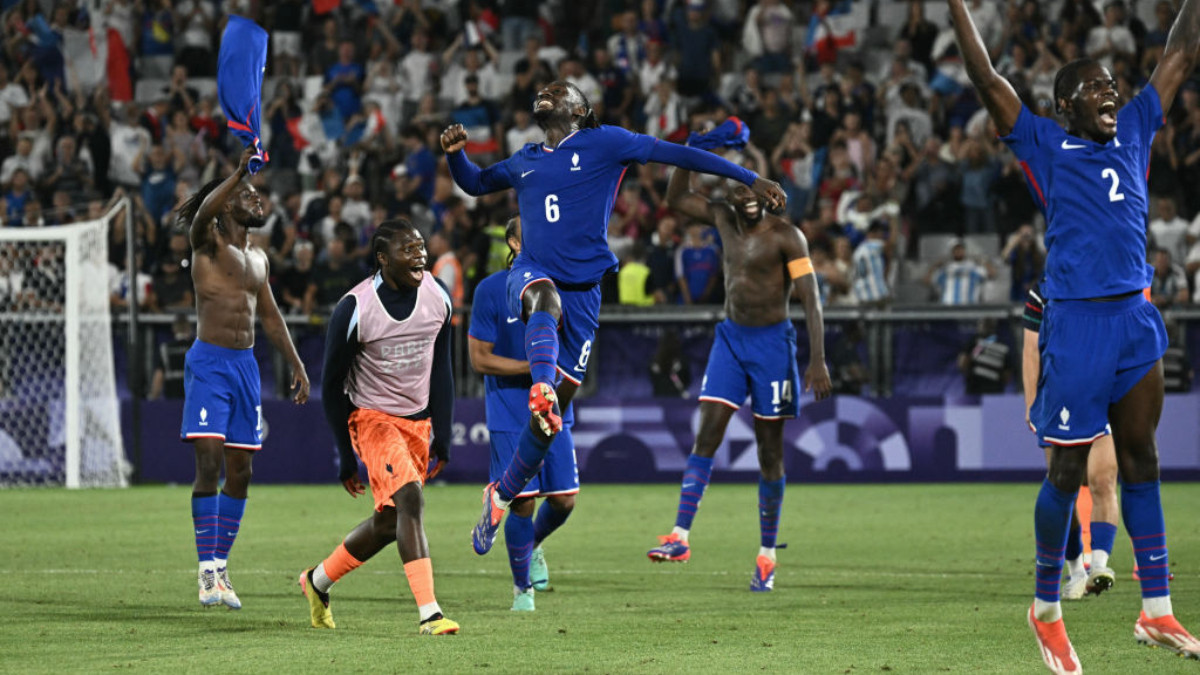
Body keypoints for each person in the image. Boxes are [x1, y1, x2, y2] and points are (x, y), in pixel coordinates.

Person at [949, 0, 1200, 670]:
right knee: (1067, 470)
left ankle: (1156, 610)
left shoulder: (1138, 124)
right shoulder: (1043, 144)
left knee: (1142, 459)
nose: (1110, 91)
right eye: (1093, 87)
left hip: (1136, 319)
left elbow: (1179, 54)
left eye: (1112, 83)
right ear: (1065, 105)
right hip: (1077, 325)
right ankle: (1046, 608)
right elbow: (985, 78)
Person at [441, 80, 786, 556]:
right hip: (535, 273)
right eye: (543, 88)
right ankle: (540, 386)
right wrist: (456, 155)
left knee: (547, 425)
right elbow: (476, 183)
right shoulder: (525, 159)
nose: (547, 91)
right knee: (542, 299)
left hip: (586, 295)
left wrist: (749, 177)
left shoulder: (607, 142)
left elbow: (679, 156)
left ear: (581, 109)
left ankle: (500, 494)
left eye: (559, 90)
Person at [645, 126, 832, 592]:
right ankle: (680, 536)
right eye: (735, 188)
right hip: (730, 339)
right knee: (707, 431)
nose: (744, 197)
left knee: (770, 451)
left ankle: (767, 555)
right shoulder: (722, 217)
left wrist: (818, 359)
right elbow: (674, 198)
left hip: (773, 345)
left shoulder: (788, 236)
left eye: (751, 188)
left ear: (766, 192)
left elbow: (811, 300)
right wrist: (696, 149)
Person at [298, 219, 458, 635]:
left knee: (391, 522)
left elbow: (442, 368)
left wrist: (444, 430)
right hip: (371, 419)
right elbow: (332, 385)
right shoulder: (356, 308)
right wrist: (344, 454)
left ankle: (316, 582)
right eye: (408, 250)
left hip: (417, 422)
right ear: (383, 259)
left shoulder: (438, 296)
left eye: (421, 246)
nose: (420, 255)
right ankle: (430, 614)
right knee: (410, 500)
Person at [177, 147, 311, 609]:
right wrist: (236, 171)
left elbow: (271, 317)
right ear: (227, 203)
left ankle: (220, 566)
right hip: (210, 362)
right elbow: (201, 218)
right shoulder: (207, 243)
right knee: (209, 463)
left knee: (242, 470)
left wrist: (296, 363)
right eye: (248, 196)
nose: (258, 201)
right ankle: (206, 571)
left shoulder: (259, 259)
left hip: (246, 366)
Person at [467, 215, 578, 612]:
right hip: (510, 407)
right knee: (523, 501)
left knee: (565, 498)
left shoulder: (561, 286)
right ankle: (522, 591)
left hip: (551, 402)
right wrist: (532, 371)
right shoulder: (491, 290)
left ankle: (532, 546)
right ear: (514, 243)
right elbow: (478, 359)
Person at [1022, 283, 1121, 603]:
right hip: (1057, 398)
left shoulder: (1107, 284)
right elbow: (1030, 348)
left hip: (1100, 394)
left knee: (1103, 479)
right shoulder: (1042, 292)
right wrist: (1031, 402)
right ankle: (1076, 569)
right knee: (1062, 486)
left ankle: (1100, 567)